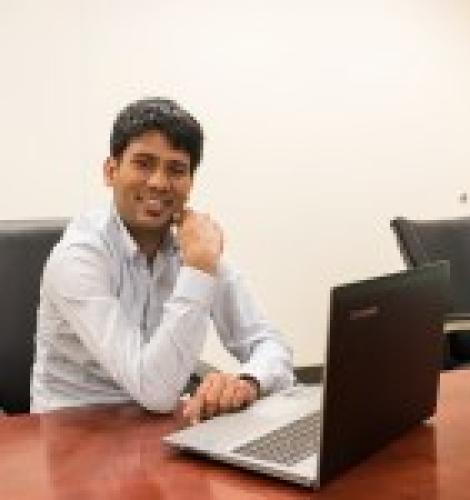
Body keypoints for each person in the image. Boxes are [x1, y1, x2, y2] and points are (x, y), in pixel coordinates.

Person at [31, 97, 294, 423]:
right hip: (72, 432)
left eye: (176, 169)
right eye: (143, 163)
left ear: (190, 182)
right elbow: (154, 390)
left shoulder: (194, 245)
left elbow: (272, 346)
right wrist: (198, 270)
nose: (158, 182)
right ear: (111, 171)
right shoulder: (79, 257)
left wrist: (248, 382)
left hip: (159, 430)